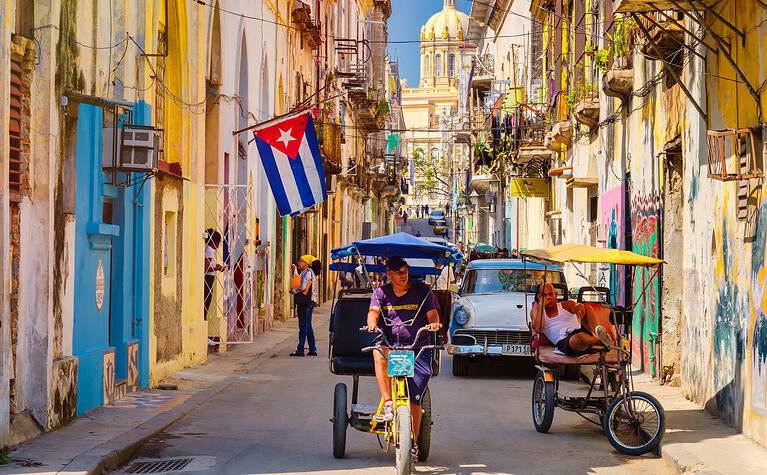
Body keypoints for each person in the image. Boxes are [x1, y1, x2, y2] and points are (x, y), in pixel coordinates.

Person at [365, 256, 442, 459]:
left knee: (415, 401)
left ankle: (413, 444)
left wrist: (434, 324)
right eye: (398, 272)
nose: (403, 275)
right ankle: (389, 402)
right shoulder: (381, 292)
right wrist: (372, 323)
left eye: (405, 270)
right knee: (378, 352)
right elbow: (373, 312)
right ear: (389, 274)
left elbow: (433, 314)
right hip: (392, 346)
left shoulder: (423, 291)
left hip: (417, 348)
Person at [531, 283, 615, 355]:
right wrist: (541, 306)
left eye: (550, 294)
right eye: (544, 295)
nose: (548, 298)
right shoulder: (536, 312)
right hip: (564, 340)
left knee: (587, 307)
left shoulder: (566, 305)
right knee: (581, 337)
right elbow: (538, 329)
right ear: (539, 297)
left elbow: (575, 306)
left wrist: (579, 307)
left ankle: (599, 335)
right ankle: (600, 341)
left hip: (581, 331)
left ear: (556, 295)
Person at [289, 255, 318, 357]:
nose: (299, 262)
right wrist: (295, 271)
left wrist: (293, 291)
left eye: (301, 261)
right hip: (310, 302)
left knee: (303, 326)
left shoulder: (307, 273)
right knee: (308, 325)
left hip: (304, 302)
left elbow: (302, 287)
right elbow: (299, 280)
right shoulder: (308, 272)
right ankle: (312, 348)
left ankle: (300, 349)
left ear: (306, 263)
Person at [204, 229, 226, 321]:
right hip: (208, 279)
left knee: (206, 303)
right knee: (206, 303)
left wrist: (216, 266)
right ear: (215, 242)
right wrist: (217, 268)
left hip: (209, 279)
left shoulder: (209, 250)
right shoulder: (209, 251)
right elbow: (206, 268)